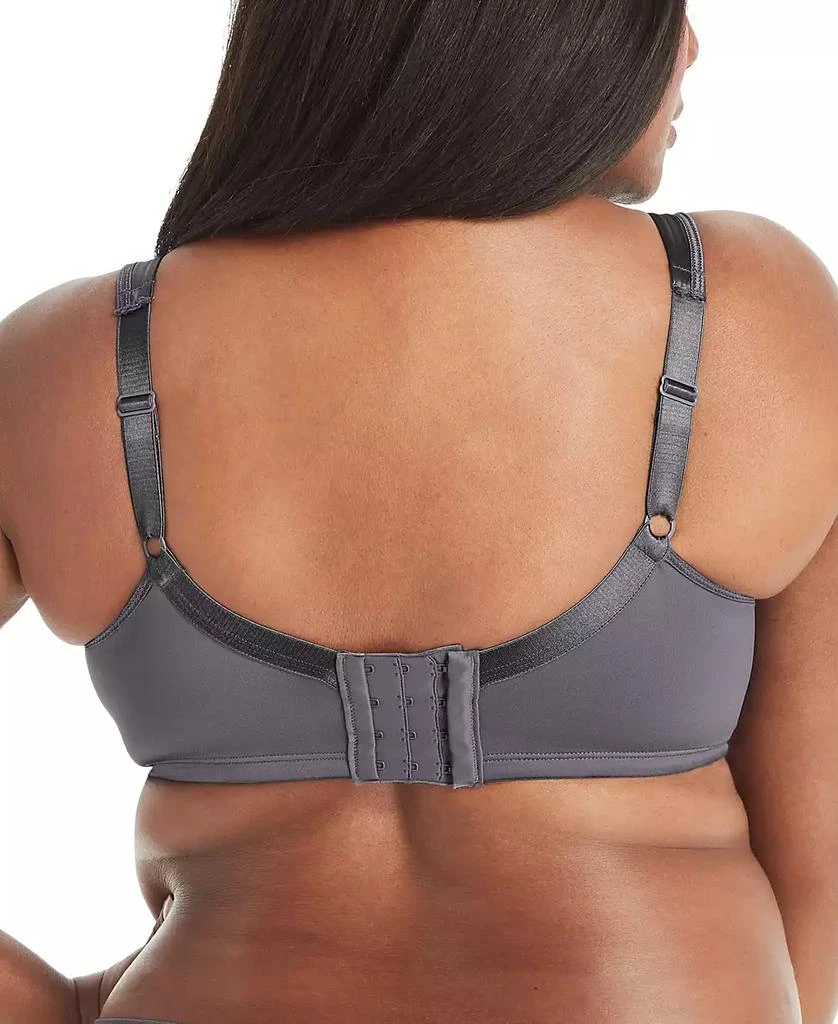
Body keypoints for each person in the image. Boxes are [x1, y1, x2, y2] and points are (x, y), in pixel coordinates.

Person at [1, 2, 836, 1023]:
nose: (689, 47)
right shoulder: (747, 313)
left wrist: (58, 1009)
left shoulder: (70, 364)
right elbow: (820, 874)